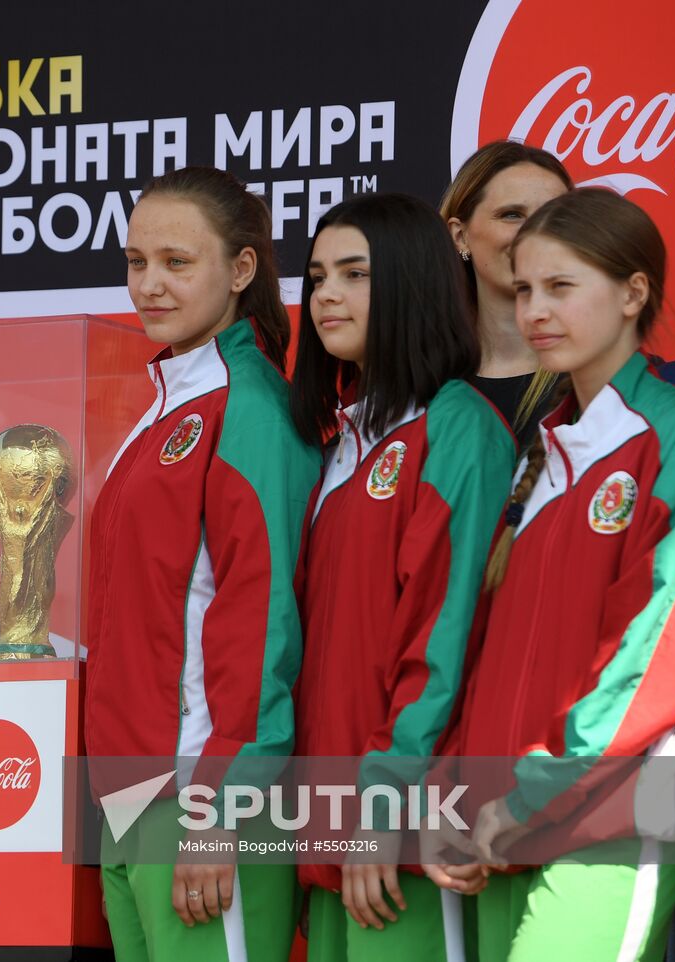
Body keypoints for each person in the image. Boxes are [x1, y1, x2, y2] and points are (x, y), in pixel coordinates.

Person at [459, 188, 675, 961]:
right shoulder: (548, 449)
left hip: (615, 816)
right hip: (506, 814)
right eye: (526, 288)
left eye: (562, 287)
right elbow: (494, 654)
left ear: (633, 292)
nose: (535, 309)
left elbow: (651, 661)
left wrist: (531, 793)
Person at [86, 165, 320, 962]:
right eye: (135, 262)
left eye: (177, 263)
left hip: (200, 801)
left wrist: (221, 803)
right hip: (128, 799)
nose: (148, 285)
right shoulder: (165, 404)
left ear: (242, 269)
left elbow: (262, 622)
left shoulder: (248, 407)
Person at [289, 193, 516, 960]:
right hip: (325, 835)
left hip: (406, 835)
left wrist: (381, 808)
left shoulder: (458, 428)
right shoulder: (340, 441)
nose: (326, 294)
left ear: (415, 284)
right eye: (318, 276)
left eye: (355, 274)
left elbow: (441, 639)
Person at [440, 140, 572, 448]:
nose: (537, 232)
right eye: (512, 215)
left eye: (555, 216)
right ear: (460, 236)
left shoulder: (608, 379)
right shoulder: (416, 383)